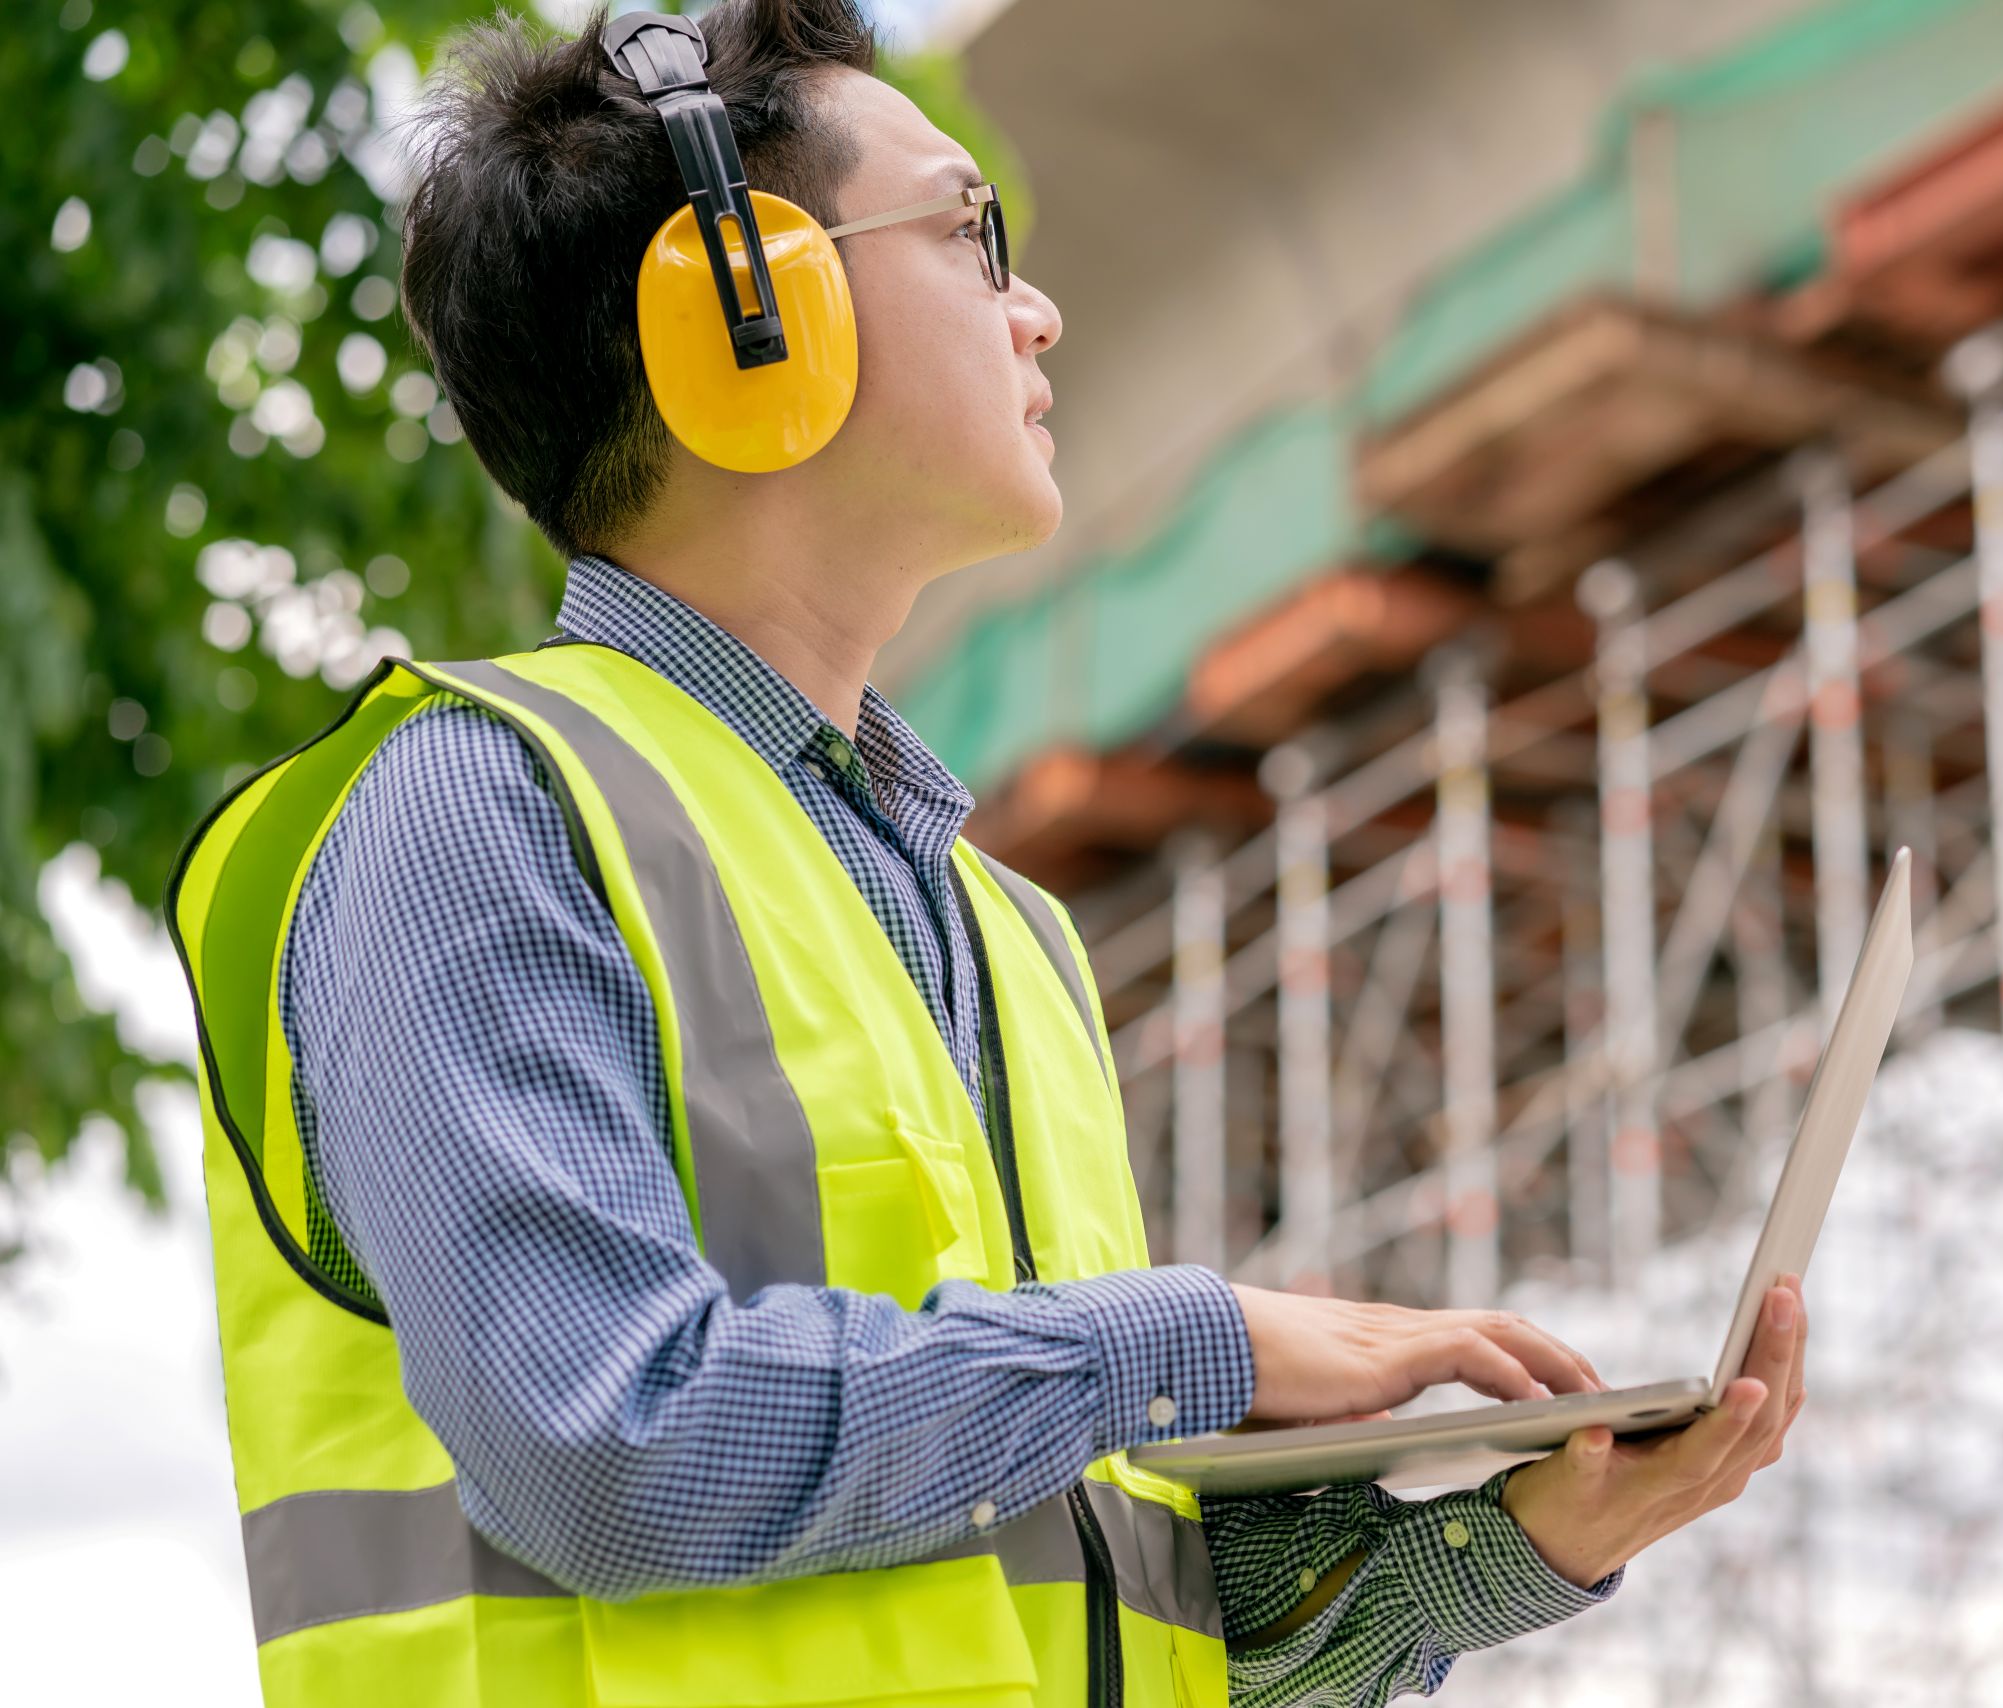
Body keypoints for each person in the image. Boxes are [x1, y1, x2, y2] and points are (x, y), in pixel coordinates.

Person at [165, 3, 1809, 1705]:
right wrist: (1201, 1339)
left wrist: (1507, 1545)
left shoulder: (1003, 934)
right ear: (751, 316)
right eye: (969, 235)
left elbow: (1087, 1610)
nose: (1039, 307)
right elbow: (610, 1442)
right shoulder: (470, 815)